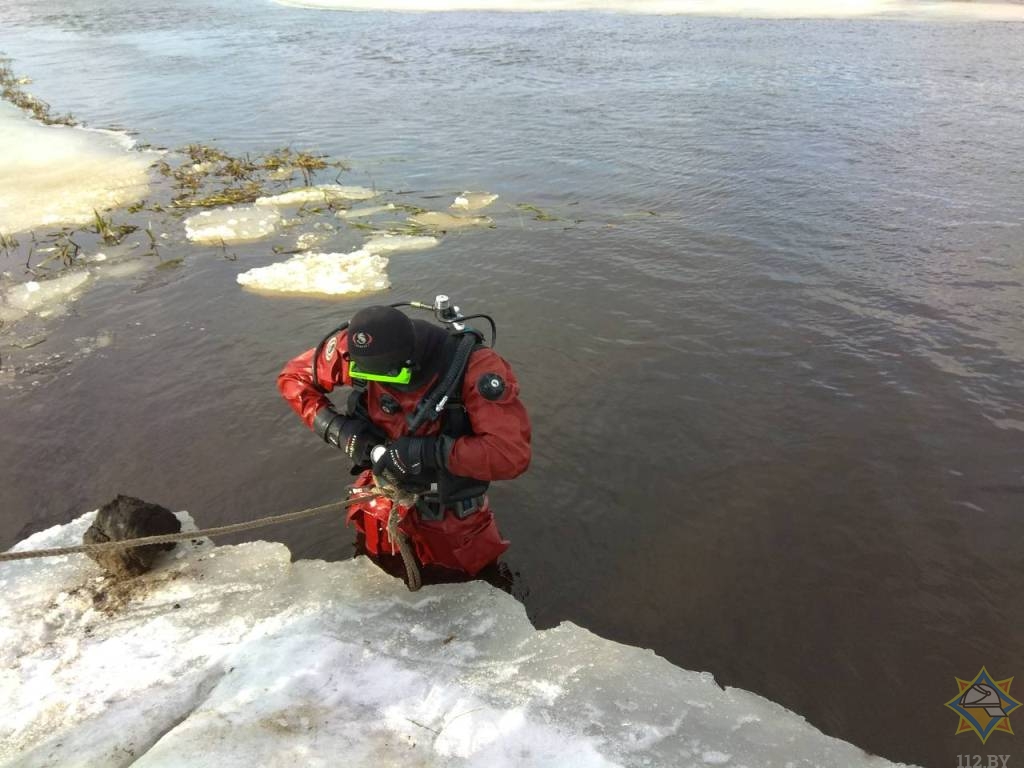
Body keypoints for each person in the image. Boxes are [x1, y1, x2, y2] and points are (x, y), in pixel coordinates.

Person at [277, 303, 531, 578]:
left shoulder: (475, 367)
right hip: (380, 501)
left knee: (468, 586)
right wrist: (340, 430)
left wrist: (426, 452)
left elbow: (510, 455)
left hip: (449, 519)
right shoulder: (353, 347)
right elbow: (294, 378)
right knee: (375, 578)